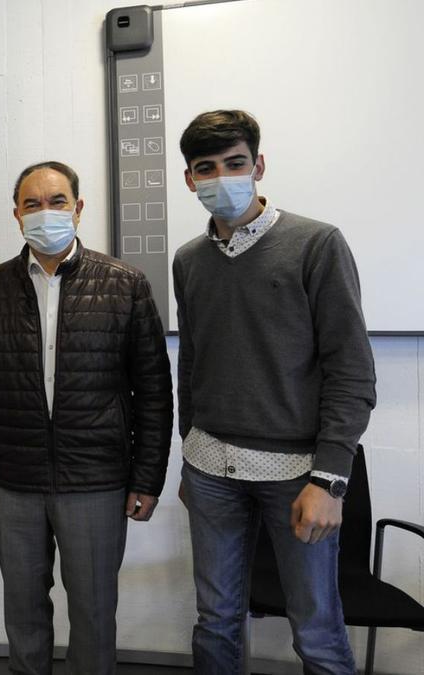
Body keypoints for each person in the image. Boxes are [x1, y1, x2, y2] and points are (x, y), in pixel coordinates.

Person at [173, 110, 377, 675]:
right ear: (189, 179)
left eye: (235, 164)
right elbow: (191, 363)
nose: (222, 177)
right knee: (214, 620)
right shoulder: (189, 260)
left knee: (315, 629)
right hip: (211, 469)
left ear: (258, 165)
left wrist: (330, 480)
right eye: (206, 168)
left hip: (297, 473)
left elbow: (352, 371)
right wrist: (189, 455)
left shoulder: (316, 243)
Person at [0, 161, 173, 675]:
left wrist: (147, 477)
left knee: (95, 614)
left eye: (56, 202)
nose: (45, 213)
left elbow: (154, 393)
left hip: (95, 481)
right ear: (16, 215)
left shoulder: (125, 285)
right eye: (32, 204)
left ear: (78, 208)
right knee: (24, 613)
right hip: (14, 482)